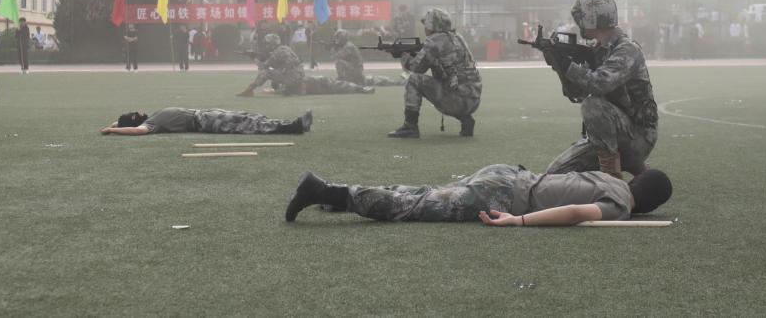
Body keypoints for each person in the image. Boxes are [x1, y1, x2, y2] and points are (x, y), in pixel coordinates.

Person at [284, 165, 672, 225]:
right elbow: (575, 212)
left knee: (425, 193)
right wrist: (519, 221)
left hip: (508, 174)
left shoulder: (610, 179)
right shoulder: (620, 205)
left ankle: (337, 197)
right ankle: (326, 191)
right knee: (415, 206)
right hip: (504, 196)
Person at [541, 0, 658, 179]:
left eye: (581, 18)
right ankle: (637, 169)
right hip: (611, 134)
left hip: (639, 137)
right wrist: (560, 67)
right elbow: (576, 94)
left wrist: (568, 65)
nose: (578, 23)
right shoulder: (598, 50)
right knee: (555, 175)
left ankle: (613, 183)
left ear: (591, 18)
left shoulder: (628, 49)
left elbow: (599, 84)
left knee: (592, 106)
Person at [387, 8, 481, 139]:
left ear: (432, 25)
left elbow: (416, 68)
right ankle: (466, 121)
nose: (425, 28)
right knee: (452, 85)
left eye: (426, 25)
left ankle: (410, 127)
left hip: (456, 101)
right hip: (473, 100)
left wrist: (404, 57)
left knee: (414, 80)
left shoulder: (434, 40)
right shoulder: (458, 38)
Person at [239, 34, 374, 97]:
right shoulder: (284, 49)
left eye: (268, 43)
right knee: (332, 84)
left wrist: (255, 60)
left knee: (266, 73)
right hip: (300, 80)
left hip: (295, 80)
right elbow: (280, 67)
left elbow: (265, 68)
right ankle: (361, 89)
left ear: (272, 44)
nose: (266, 45)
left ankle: (250, 89)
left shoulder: (278, 52)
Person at [99, 106, 314, 136]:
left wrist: (113, 125)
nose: (138, 112)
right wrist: (112, 130)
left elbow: (124, 123)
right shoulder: (150, 124)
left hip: (206, 114)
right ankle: (294, 126)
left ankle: (290, 124)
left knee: (250, 117)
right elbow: (137, 131)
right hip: (204, 122)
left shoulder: (152, 117)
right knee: (248, 124)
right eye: (135, 115)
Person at [327, 29, 404, 87]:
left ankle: (342, 78)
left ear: (343, 38)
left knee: (339, 62)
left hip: (356, 70)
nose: (337, 40)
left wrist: (333, 48)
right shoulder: (344, 46)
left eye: (338, 38)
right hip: (353, 69)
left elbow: (336, 56)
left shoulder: (348, 46)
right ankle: (343, 78)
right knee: (373, 80)